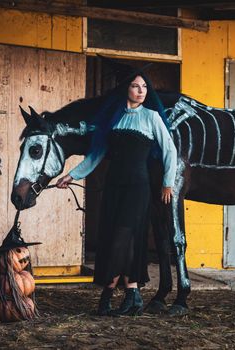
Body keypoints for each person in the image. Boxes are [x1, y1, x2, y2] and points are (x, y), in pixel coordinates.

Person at [56, 71, 177, 316]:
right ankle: (132, 295)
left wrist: (167, 183)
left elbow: (170, 151)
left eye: (144, 86)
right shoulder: (114, 117)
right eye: (135, 85)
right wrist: (72, 176)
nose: (141, 90)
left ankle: (108, 295)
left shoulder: (152, 117)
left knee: (124, 237)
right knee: (114, 237)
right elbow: (96, 154)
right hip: (114, 186)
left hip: (138, 187)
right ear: (126, 89)